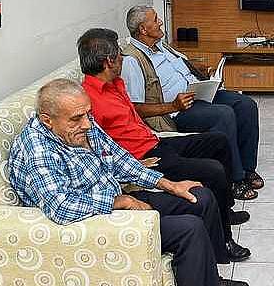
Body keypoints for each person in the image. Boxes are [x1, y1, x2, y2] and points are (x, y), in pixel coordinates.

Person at [7, 79, 248, 286]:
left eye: (88, 114)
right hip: (95, 221)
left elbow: (119, 159)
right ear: (47, 120)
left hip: (117, 202)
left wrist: (167, 184)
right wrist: (120, 201)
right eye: (77, 118)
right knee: (189, 228)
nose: (88, 124)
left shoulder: (80, 125)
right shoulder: (37, 148)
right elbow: (61, 207)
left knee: (200, 196)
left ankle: (211, 278)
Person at [76, 28, 250, 262]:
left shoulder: (115, 82)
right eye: (119, 54)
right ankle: (223, 244)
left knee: (218, 142)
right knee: (213, 170)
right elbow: (97, 149)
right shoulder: (87, 101)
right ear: (108, 61)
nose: (122, 58)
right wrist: (135, 163)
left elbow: (133, 113)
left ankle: (223, 212)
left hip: (155, 141)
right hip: (144, 156)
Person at [121, 5, 263, 200]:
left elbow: (180, 68)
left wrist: (201, 72)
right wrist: (173, 106)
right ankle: (234, 179)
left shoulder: (161, 45)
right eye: (155, 20)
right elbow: (134, 107)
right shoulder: (132, 60)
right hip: (177, 110)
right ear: (143, 30)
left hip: (197, 93)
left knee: (246, 105)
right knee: (224, 114)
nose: (160, 22)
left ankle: (247, 169)